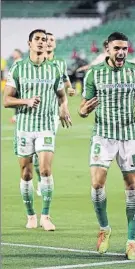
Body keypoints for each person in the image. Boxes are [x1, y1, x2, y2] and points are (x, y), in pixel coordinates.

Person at [78, 32, 135, 260]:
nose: (121, 53)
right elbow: (82, 107)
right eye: (116, 48)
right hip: (103, 135)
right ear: (107, 49)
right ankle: (104, 228)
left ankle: (131, 242)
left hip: (128, 137)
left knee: (132, 188)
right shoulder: (94, 73)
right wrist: (83, 110)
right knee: (97, 185)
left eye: (124, 49)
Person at [3, 29, 72, 231]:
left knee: (45, 170)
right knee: (26, 174)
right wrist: (26, 101)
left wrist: (64, 108)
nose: (42, 42)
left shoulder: (54, 69)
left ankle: (46, 216)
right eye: (37, 39)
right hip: (24, 128)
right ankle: (31, 215)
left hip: (45, 128)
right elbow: (6, 100)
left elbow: (61, 95)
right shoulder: (18, 68)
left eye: (44, 39)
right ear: (29, 43)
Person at [34, 32, 76, 196]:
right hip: (34, 113)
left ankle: (44, 180)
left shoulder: (59, 63)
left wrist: (70, 88)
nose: (49, 43)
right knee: (33, 156)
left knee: (42, 149)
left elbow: (64, 80)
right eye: (47, 40)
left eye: (52, 40)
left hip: (52, 113)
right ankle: (41, 177)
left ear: (55, 44)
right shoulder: (35, 63)